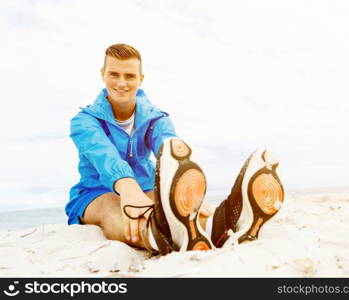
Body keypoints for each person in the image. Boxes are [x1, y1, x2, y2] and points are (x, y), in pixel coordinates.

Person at [66, 43, 285, 255]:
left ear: (141, 79)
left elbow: (169, 148)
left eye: (130, 75)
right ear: (102, 74)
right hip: (95, 192)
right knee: (114, 207)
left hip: (146, 186)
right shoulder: (84, 121)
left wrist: (192, 197)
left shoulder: (156, 118)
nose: (121, 82)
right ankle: (155, 236)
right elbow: (103, 154)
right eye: (114, 74)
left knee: (169, 207)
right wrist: (127, 187)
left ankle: (220, 225)